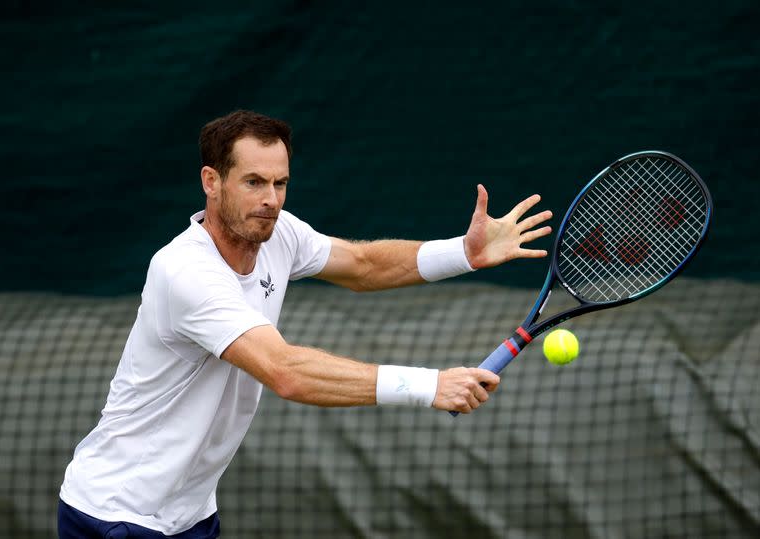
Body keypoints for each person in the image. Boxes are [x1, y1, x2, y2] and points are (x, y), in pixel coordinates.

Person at [58, 110, 552, 538]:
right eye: (253, 182)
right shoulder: (185, 272)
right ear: (212, 181)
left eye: (280, 183)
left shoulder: (278, 233)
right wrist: (431, 385)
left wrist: (462, 253)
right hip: (116, 514)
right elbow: (285, 371)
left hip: (189, 513)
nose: (270, 198)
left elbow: (363, 265)